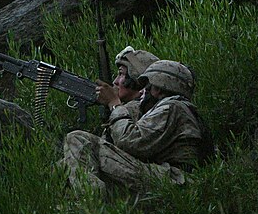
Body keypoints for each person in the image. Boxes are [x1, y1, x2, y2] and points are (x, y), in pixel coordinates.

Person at [62, 59, 208, 196]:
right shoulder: (173, 109)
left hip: (171, 180)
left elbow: (129, 141)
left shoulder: (172, 107)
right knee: (65, 163)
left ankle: (91, 205)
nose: (143, 91)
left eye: (147, 86)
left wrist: (114, 104)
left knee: (78, 139)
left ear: (158, 88)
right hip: (167, 179)